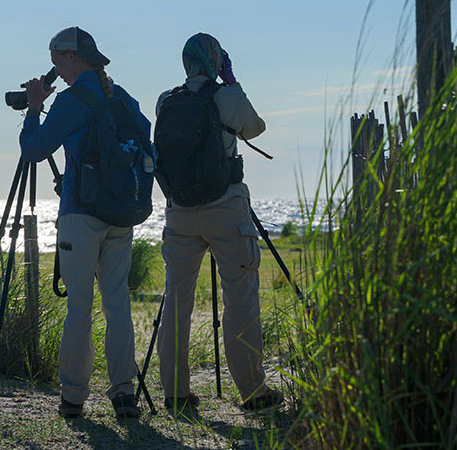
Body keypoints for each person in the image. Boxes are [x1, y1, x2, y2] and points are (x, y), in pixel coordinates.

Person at [19, 26, 152, 419]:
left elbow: (35, 149)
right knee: (118, 305)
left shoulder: (73, 100)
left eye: (57, 59)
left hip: (81, 212)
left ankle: (73, 397)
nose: (54, 67)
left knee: (79, 306)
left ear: (73, 57)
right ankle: (124, 392)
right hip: (121, 212)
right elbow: (146, 139)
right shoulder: (122, 97)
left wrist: (32, 109)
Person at [154, 32, 283, 411]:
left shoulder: (166, 100)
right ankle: (252, 390)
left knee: (176, 300)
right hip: (225, 209)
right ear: (215, 60)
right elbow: (255, 128)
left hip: (178, 212)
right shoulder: (227, 96)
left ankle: (175, 394)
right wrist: (231, 80)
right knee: (240, 299)